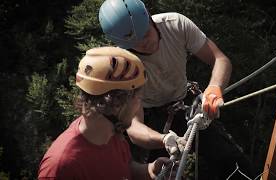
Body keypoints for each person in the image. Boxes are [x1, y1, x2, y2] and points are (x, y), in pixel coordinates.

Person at [99, 0, 255, 179]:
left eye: (146, 33)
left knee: (230, 160)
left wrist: (214, 89)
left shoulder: (175, 25)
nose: (144, 43)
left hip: (186, 104)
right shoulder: (123, 64)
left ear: (150, 18)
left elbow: (220, 59)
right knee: (162, 173)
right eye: (135, 43)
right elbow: (134, 127)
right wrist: (163, 140)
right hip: (153, 119)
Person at [38, 46, 171, 179]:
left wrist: (148, 170)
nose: (139, 105)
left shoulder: (112, 134)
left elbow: (124, 167)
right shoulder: (61, 168)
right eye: (137, 97)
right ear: (117, 103)